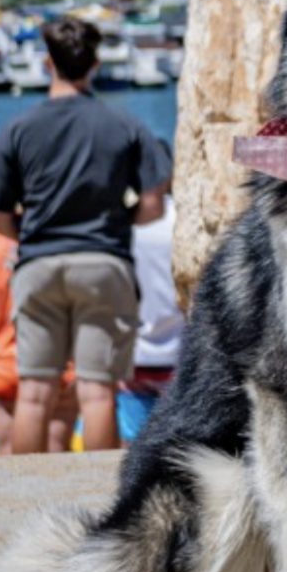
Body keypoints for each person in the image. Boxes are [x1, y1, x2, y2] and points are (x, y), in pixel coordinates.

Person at [0, 16, 171, 454]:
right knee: (97, 390)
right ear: (95, 65)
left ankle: (21, 497)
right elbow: (154, 204)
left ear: (47, 64)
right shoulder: (125, 125)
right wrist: (116, 224)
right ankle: (98, 498)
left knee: (35, 392)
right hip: (104, 264)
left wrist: (34, 234)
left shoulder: (17, 129)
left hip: (38, 265)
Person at [0, 227, 78, 451]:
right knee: (58, 454)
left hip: (6, 368)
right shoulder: (61, 234)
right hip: (58, 367)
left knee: (8, 459)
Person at [117, 150, 182, 441]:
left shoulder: (122, 224)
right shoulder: (182, 218)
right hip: (180, 356)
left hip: (135, 358)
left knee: (131, 448)